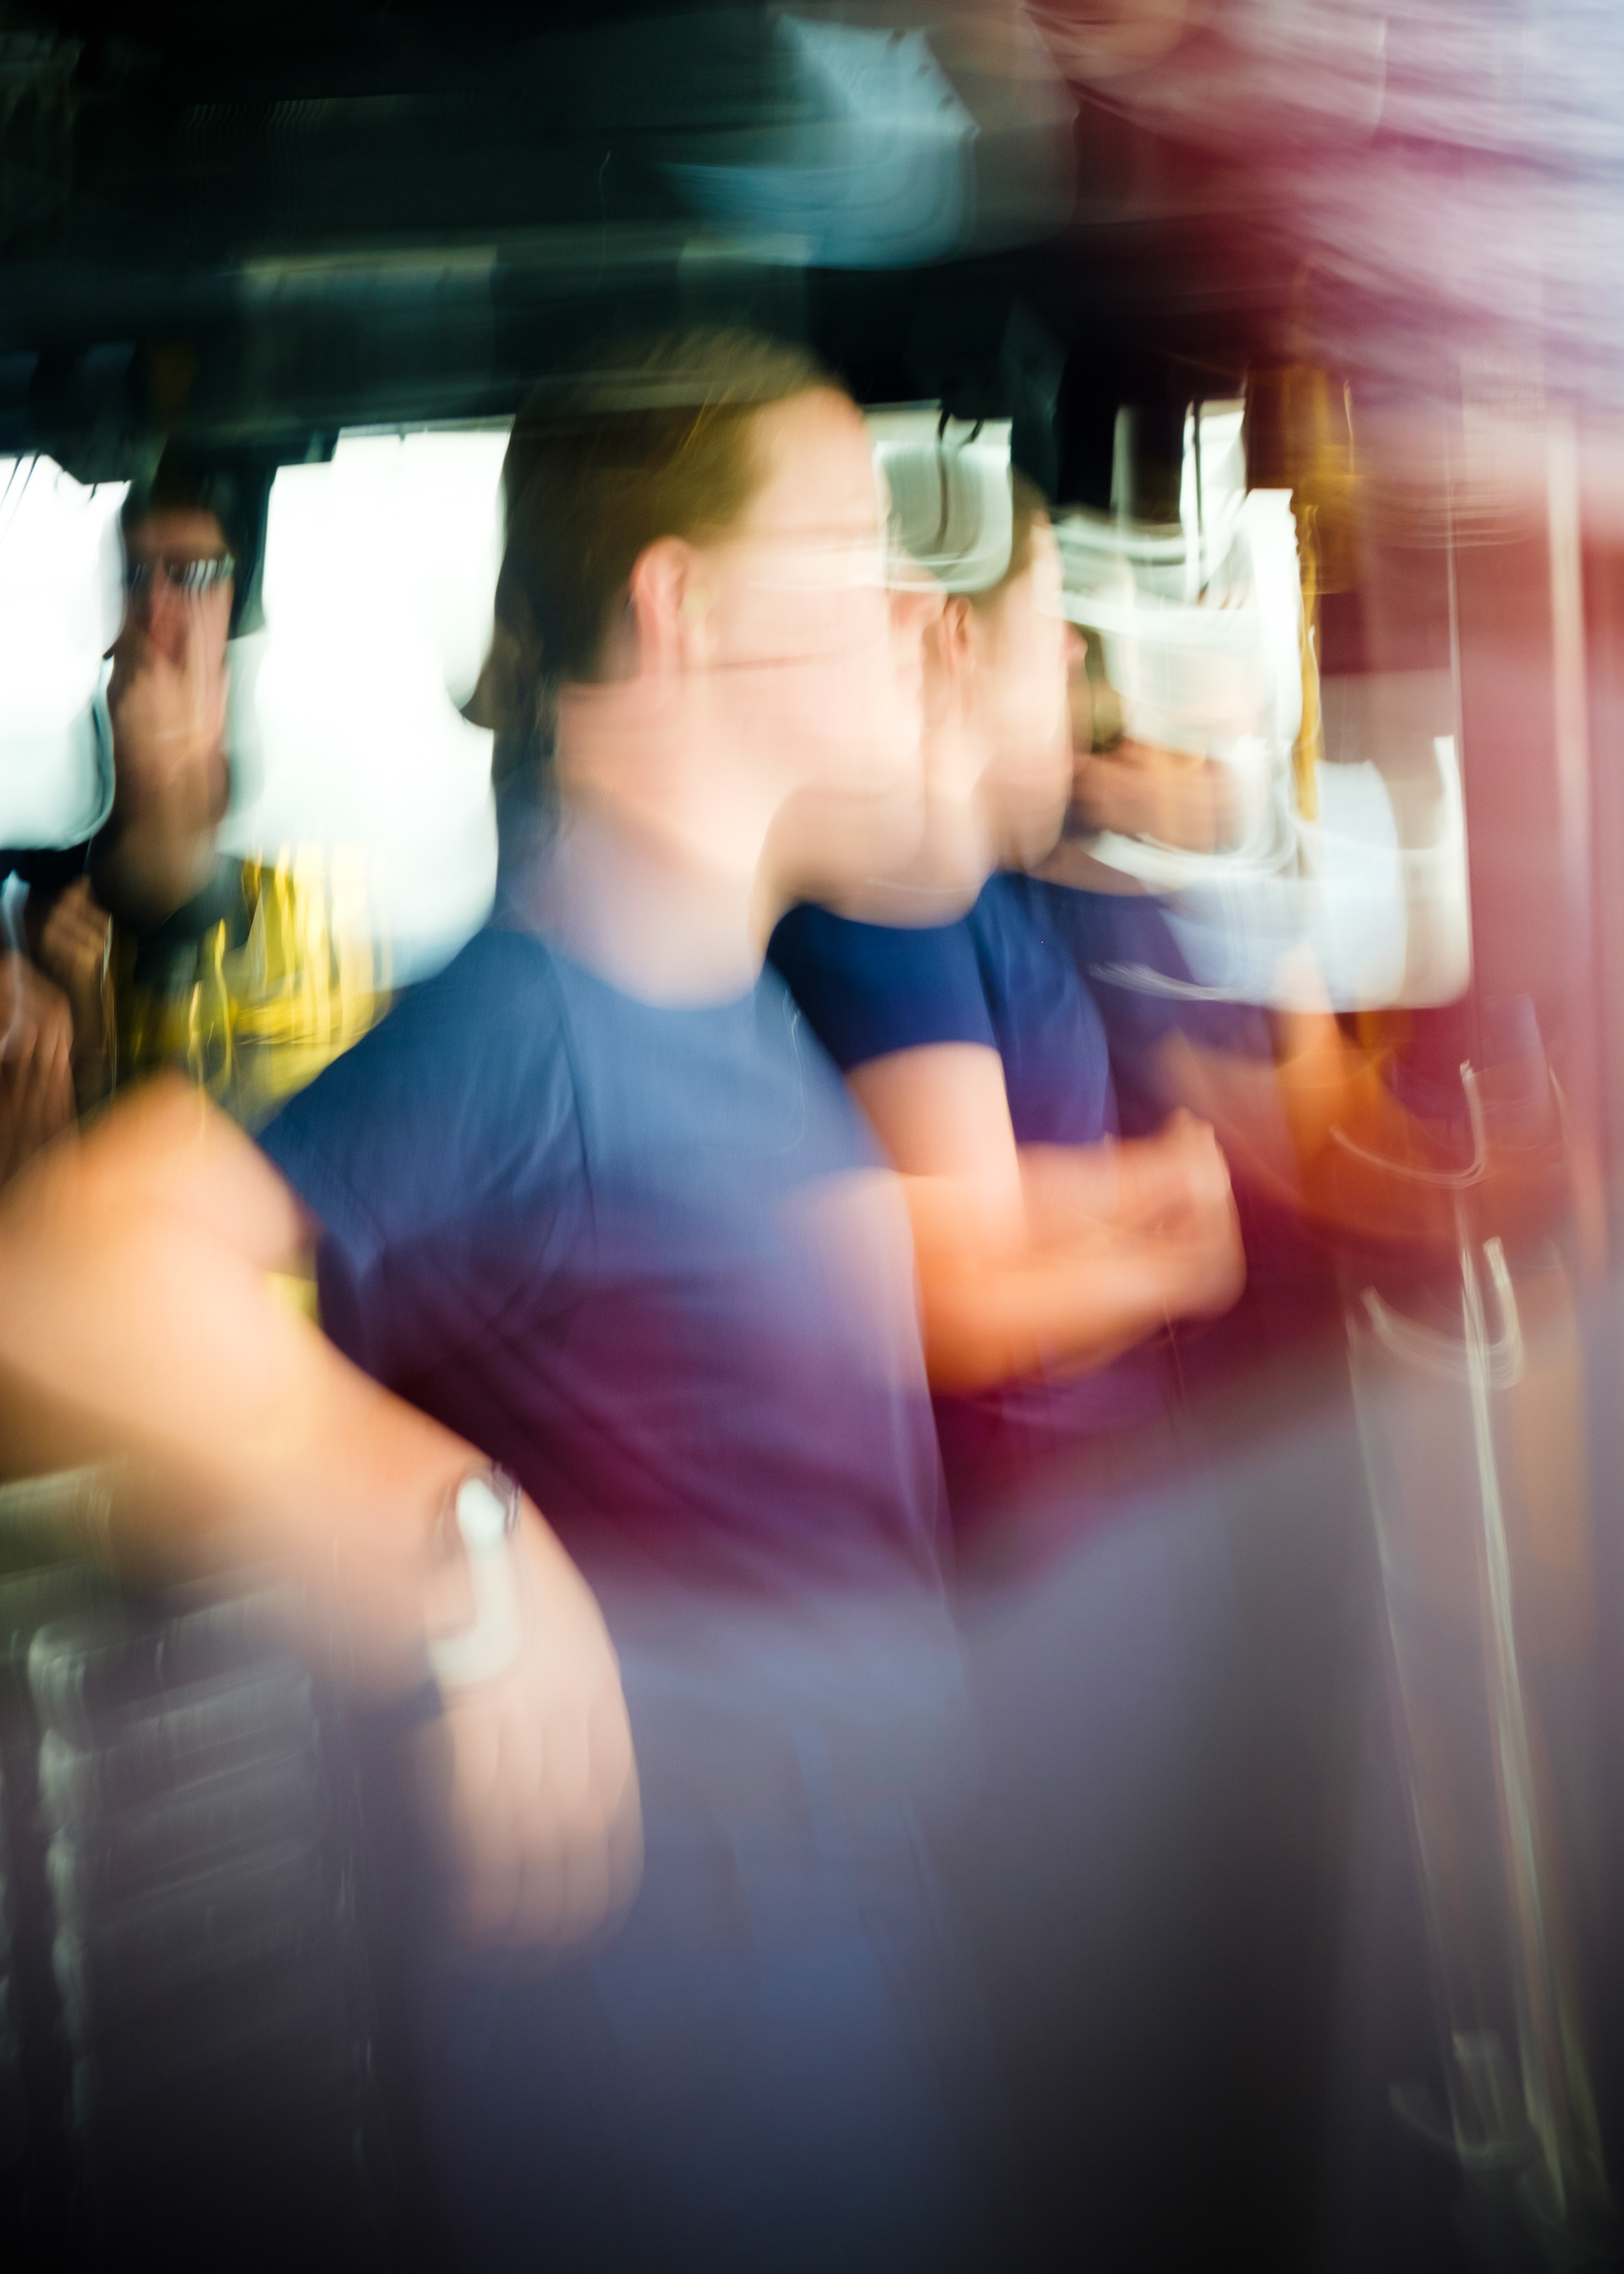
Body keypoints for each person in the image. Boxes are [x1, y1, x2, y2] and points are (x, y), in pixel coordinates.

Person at [0, 331, 994, 2272]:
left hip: (828, 1979)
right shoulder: (534, 1028)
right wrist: (444, 1515)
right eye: (852, 548)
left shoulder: (717, 992)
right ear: (682, 607)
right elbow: (59, 1279)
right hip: (688, 2051)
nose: (907, 605)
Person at [769, 467, 1248, 1545]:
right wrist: (1175, 1264)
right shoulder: (893, 910)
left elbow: (974, 1204)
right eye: (1048, 610)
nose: (1075, 650)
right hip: (1029, 1528)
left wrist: (1136, 1185)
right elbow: (953, 1299)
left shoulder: (972, 888)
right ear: (958, 639)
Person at [20, 449, 382, 1131]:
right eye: (134, 575)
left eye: (188, 574)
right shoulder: (50, 851)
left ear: (235, 610)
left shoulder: (308, 866)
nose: (154, 604)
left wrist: (168, 782)